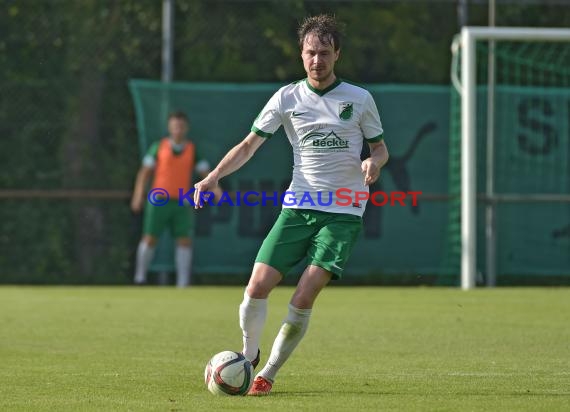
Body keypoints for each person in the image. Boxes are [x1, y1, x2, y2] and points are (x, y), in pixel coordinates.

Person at [194, 14, 389, 395]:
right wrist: (214, 176)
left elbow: (380, 149)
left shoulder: (360, 99)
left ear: (338, 55)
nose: (318, 60)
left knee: (303, 294)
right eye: (311, 53)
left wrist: (373, 162)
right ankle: (248, 356)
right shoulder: (287, 97)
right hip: (298, 207)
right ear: (301, 54)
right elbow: (249, 144)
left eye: (325, 53)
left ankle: (267, 373)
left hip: (343, 212)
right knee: (256, 286)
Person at [130, 111, 218, 287]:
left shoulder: (193, 150)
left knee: (184, 241)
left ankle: (182, 284)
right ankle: (139, 279)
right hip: (158, 201)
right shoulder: (159, 147)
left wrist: (217, 190)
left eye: (181, 126)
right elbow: (144, 173)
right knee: (149, 238)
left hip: (182, 202)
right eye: (174, 125)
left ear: (186, 128)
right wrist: (138, 194)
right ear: (169, 127)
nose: (178, 129)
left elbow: (206, 174)